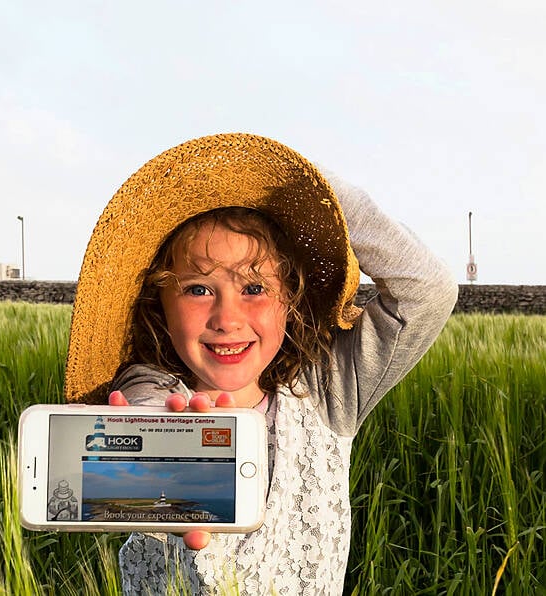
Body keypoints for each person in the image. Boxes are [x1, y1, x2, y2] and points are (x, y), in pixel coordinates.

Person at [63, 133, 458, 594]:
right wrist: (153, 439)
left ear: (290, 300)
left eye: (254, 289)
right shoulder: (154, 389)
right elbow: (143, 406)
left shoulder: (327, 395)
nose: (227, 318)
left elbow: (427, 289)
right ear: (159, 306)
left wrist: (311, 189)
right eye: (198, 289)